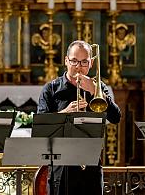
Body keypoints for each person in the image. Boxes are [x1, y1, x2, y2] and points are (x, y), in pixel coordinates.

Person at [37, 40, 121, 195]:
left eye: (84, 62)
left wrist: (93, 89)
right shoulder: (50, 89)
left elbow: (116, 117)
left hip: (91, 164)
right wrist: (65, 114)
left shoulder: (99, 87)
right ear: (66, 61)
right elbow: (41, 127)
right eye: (74, 61)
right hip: (60, 165)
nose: (78, 67)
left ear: (91, 63)